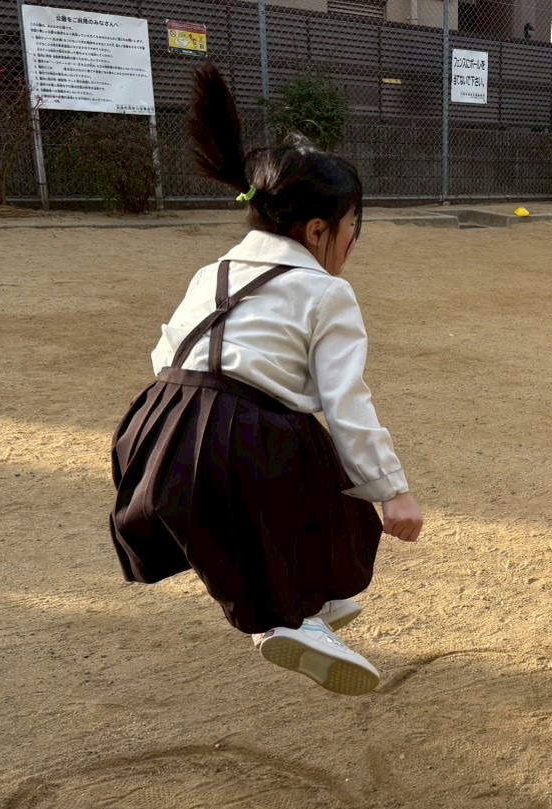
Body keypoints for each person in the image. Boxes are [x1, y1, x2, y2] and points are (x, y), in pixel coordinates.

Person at [110, 64, 423, 696]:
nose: (352, 245)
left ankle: (310, 605)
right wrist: (394, 490)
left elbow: (165, 353)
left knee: (267, 479)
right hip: (241, 444)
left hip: (151, 438)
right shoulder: (325, 292)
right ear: (316, 230)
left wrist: (197, 420)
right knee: (329, 468)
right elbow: (346, 401)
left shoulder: (212, 272)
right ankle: (293, 620)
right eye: (352, 229)